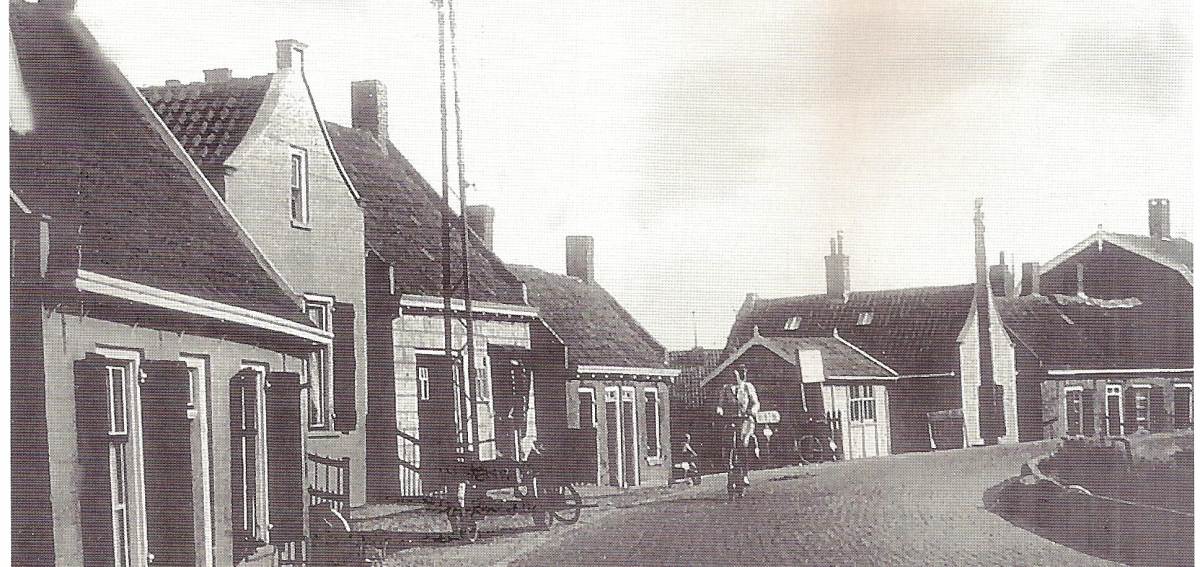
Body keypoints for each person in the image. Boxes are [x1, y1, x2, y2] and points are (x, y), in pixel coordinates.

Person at [716, 364, 760, 488]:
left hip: (745, 420)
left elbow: (756, 403)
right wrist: (720, 410)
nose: (733, 378)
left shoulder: (747, 387)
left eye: (736, 375)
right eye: (732, 375)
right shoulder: (726, 389)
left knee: (743, 443)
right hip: (731, 419)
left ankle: (745, 473)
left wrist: (752, 411)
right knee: (728, 442)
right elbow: (720, 404)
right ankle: (729, 467)